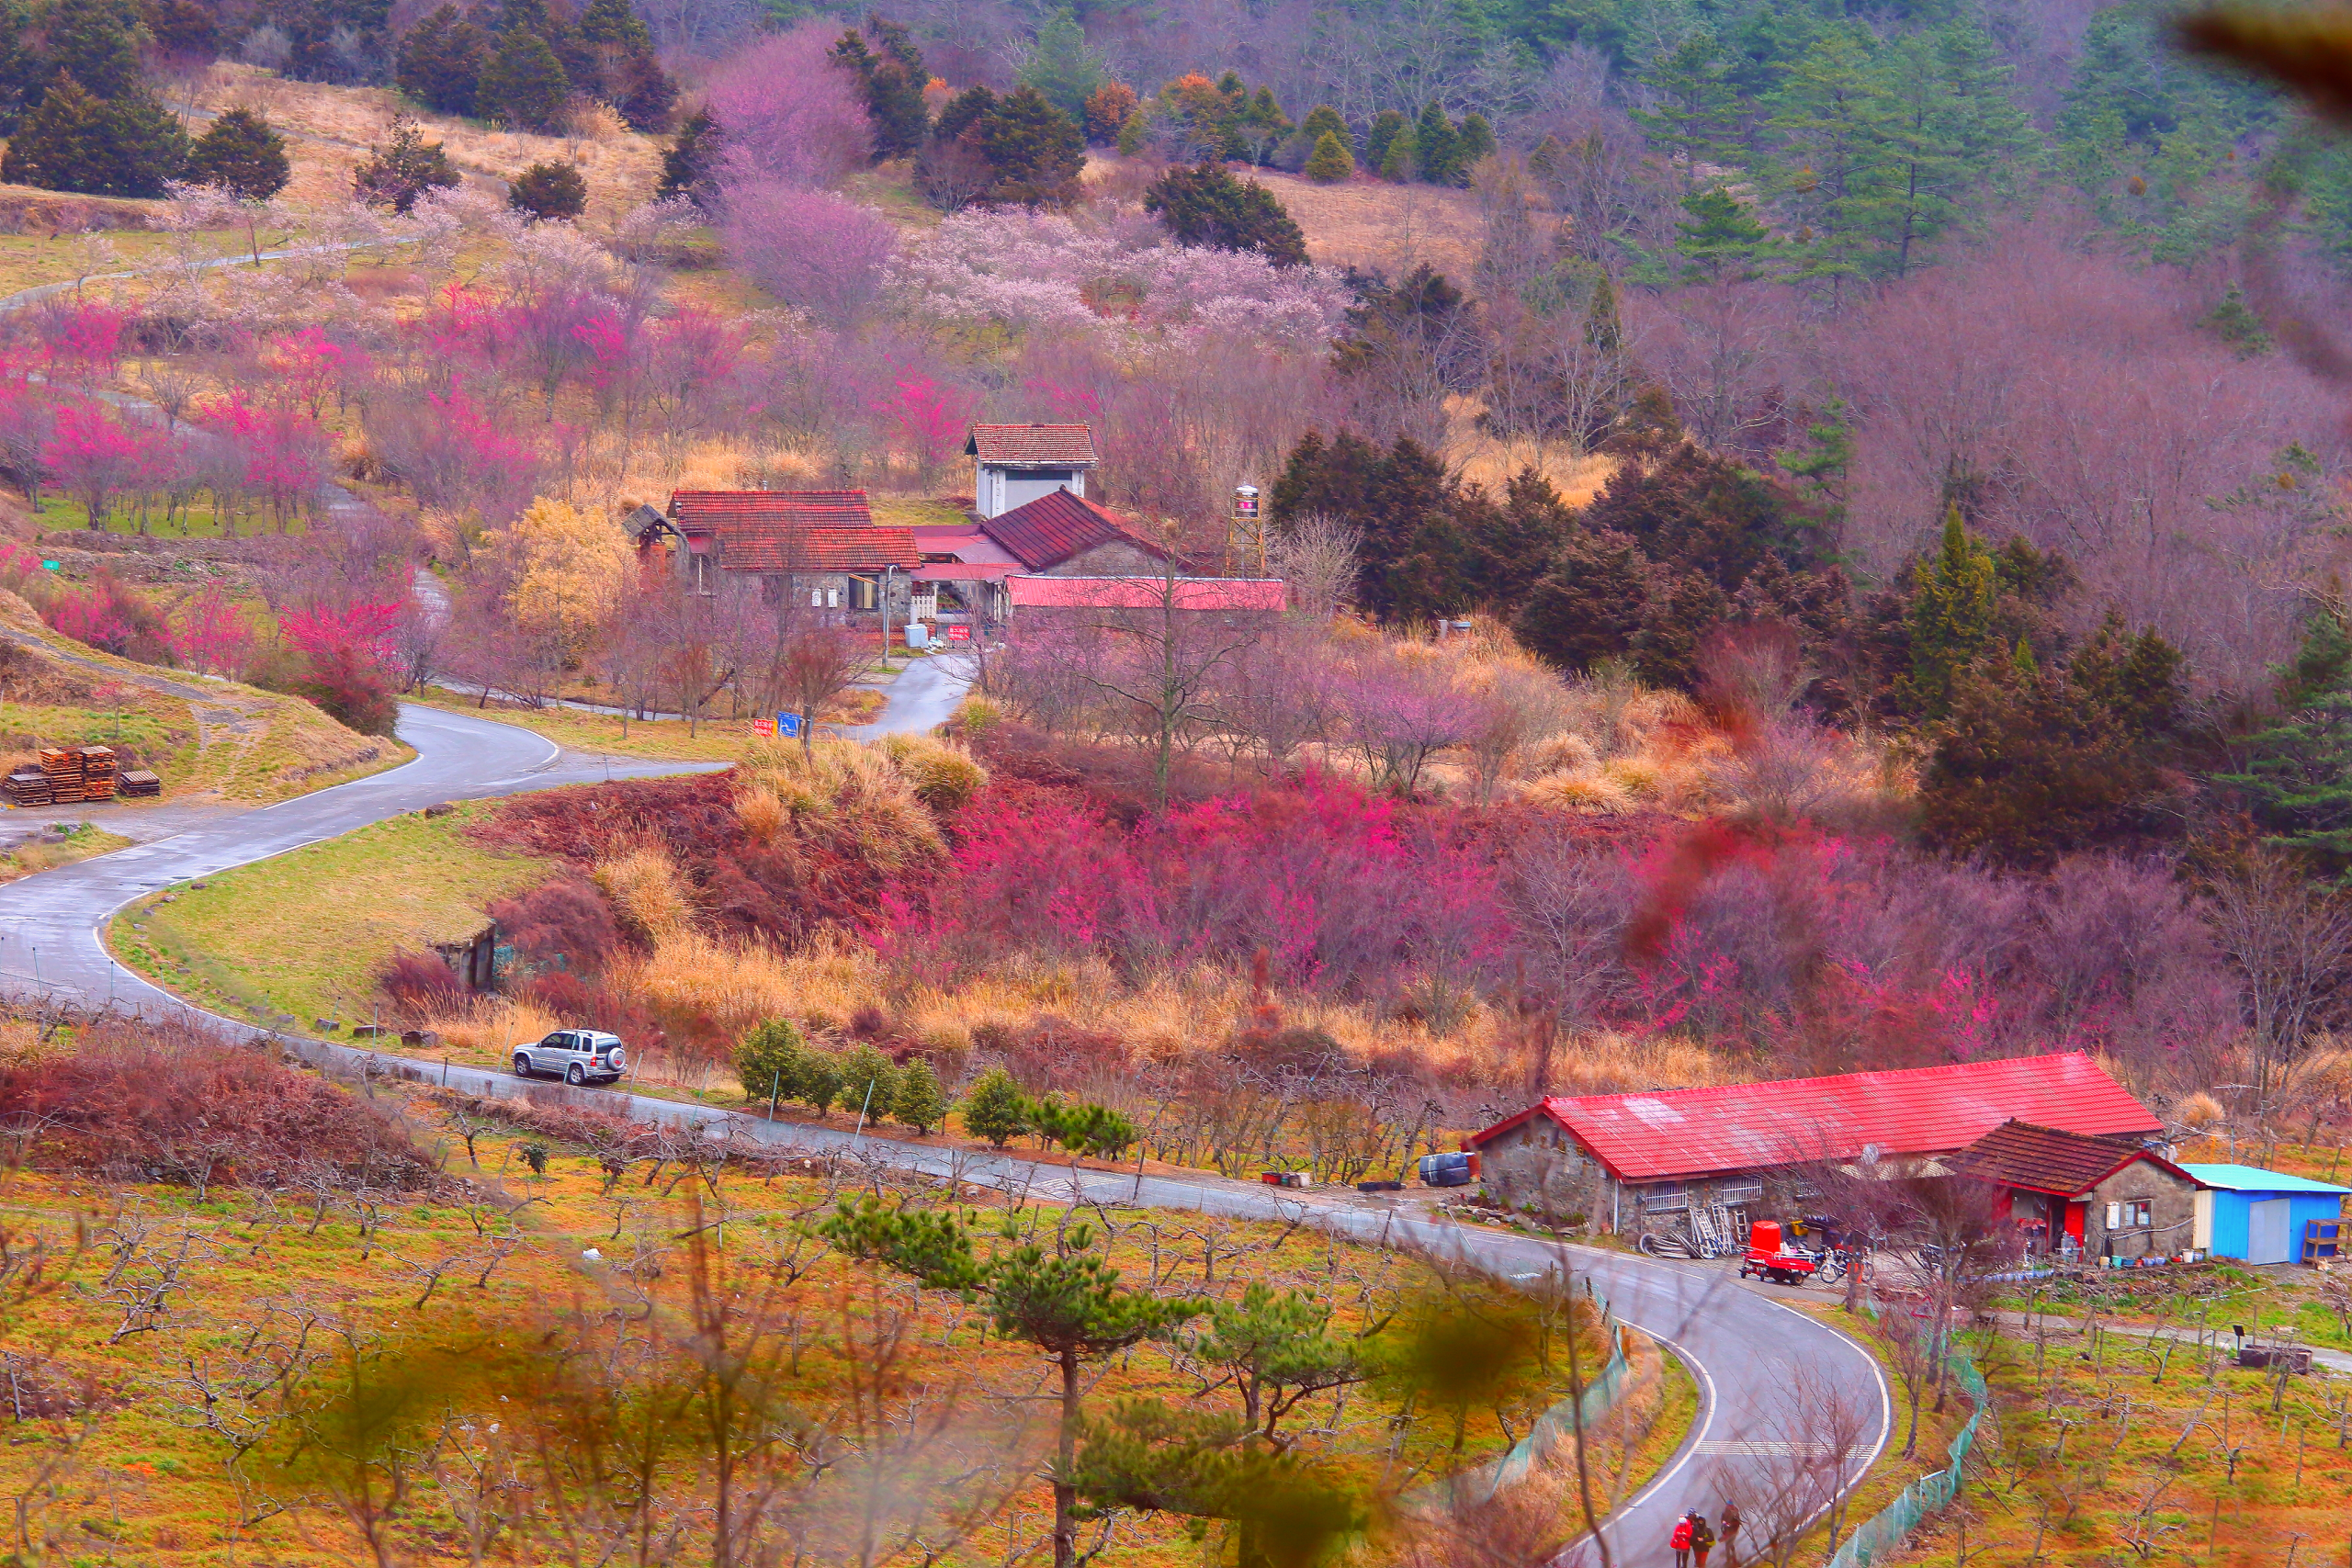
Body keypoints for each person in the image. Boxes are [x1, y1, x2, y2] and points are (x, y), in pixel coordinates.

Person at [1719, 1500, 1742, 1567]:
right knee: (1730, 1544)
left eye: (1729, 1505)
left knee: (1728, 1545)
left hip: (1733, 1531)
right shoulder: (1725, 1512)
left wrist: (1730, 1524)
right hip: (1727, 1531)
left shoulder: (1735, 1512)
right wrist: (1723, 1522)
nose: (1728, 1506)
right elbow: (1722, 1519)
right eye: (1727, 1505)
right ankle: (1733, 1558)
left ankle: (1730, 1560)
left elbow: (1738, 1522)